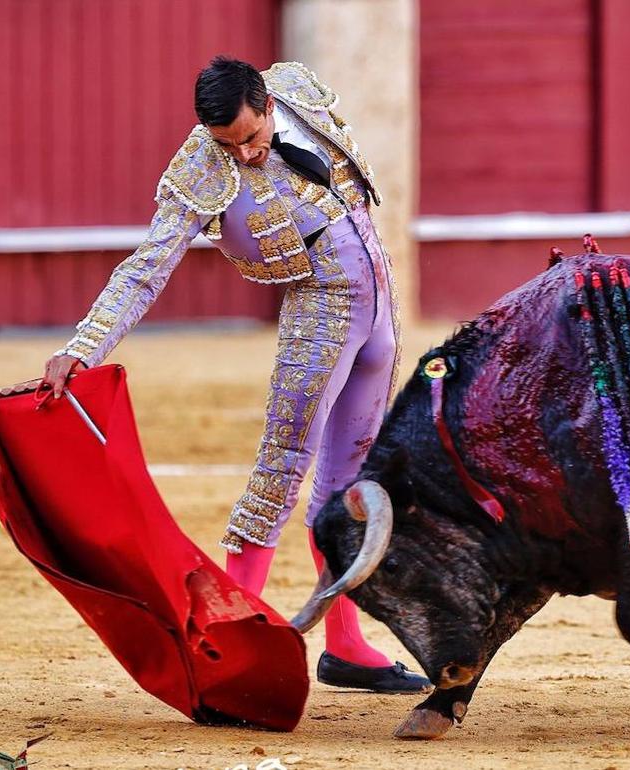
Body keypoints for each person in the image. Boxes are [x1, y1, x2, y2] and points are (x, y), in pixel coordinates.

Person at [40, 56, 430, 694]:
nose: (243, 155)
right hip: (319, 317)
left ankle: (347, 643)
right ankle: (229, 647)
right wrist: (84, 348)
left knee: (354, 479)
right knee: (280, 472)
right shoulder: (202, 166)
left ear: (269, 105)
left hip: (381, 314)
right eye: (228, 143)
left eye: (250, 137)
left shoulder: (297, 88)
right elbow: (147, 266)